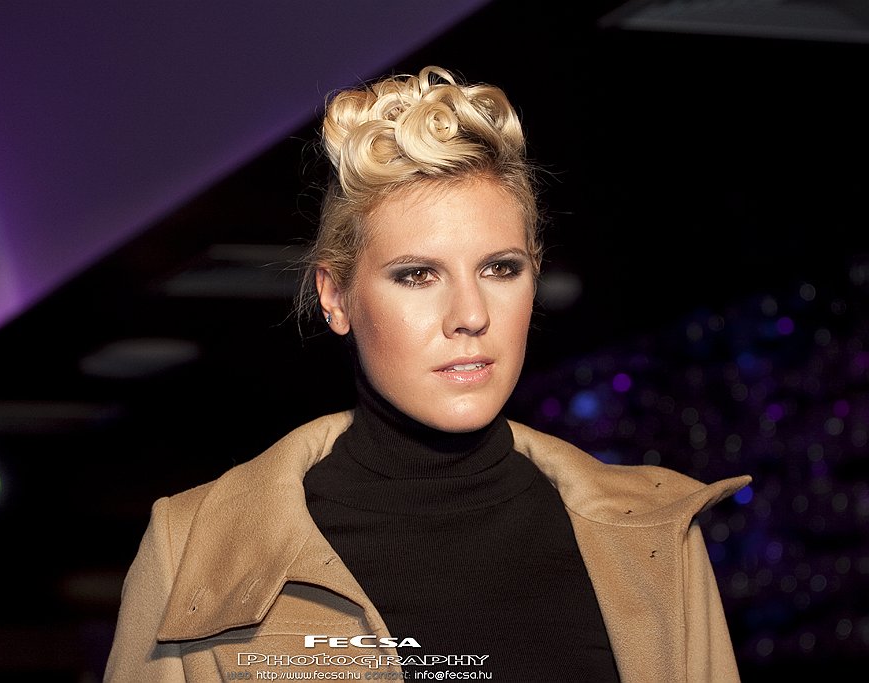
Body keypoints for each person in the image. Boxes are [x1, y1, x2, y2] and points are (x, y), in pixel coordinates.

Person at [104, 65, 750, 682]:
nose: (470, 315)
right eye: (417, 275)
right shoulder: (195, 550)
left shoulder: (656, 534)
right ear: (336, 296)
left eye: (500, 268)